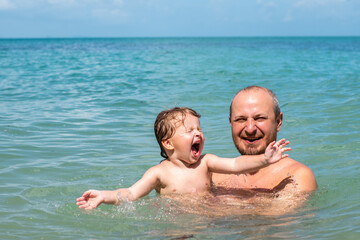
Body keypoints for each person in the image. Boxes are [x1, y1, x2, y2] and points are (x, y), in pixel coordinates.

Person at [76, 107, 291, 210]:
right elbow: (131, 194)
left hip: (208, 217)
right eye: (189, 131)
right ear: (168, 143)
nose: (197, 134)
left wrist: (265, 159)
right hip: (175, 223)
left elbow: (236, 164)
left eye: (199, 129)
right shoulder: (159, 173)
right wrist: (104, 196)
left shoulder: (206, 162)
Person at [212, 86, 317, 194]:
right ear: (231, 122)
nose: (250, 129)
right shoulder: (214, 176)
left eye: (259, 118)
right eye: (241, 119)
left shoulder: (295, 177)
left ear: (278, 121)